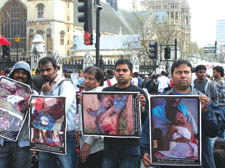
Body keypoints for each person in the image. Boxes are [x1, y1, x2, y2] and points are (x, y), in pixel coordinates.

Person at [141, 59, 223, 168]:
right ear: (172, 75)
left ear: (191, 75)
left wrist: (206, 112)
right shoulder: (159, 102)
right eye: (179, 72)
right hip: (168, 163)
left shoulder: (203, 100)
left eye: (186, 72)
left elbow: (213, 131)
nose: (183, 76)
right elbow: (148, 129)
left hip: (198, 162)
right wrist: (145, 151)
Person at [102, 59, 149, 168]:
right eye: (118, 70)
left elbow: (146, 120)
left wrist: (142, 107)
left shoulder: (139, 93)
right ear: (114, 73)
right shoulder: (106, 92)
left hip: (131, 146)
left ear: (131, 73)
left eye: (124, 70)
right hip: (110, 145)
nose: (121, 73)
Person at [37, 56, 77, 168]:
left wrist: (47, 94)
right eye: (42, 70)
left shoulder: (66, 86)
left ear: (56, 68)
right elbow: (38, 110)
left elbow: (60, 109)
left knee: (66, 165)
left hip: (64, 135)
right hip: (46, 133)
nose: (45, 73)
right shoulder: (45, 87)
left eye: (48, 70)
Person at [0, 61, 37, 168]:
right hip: (3, 142)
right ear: (12, 73)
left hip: (23, 144)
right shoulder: (2, 90)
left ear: (28, 76)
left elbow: (40, 118)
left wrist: (32, 108)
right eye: (18, 72)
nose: (21, 75)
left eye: (24, 73)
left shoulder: (33, 94)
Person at [76, 66, 104, 168]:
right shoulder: (85, 94)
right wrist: (78, 129)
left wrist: (88, 143)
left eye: (90, 79)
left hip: (95, 146)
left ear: (98, 81)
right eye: (85, 78)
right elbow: (82, 117)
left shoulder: (100, 95)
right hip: (84, 141)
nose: (86, 81)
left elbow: (99, 123)